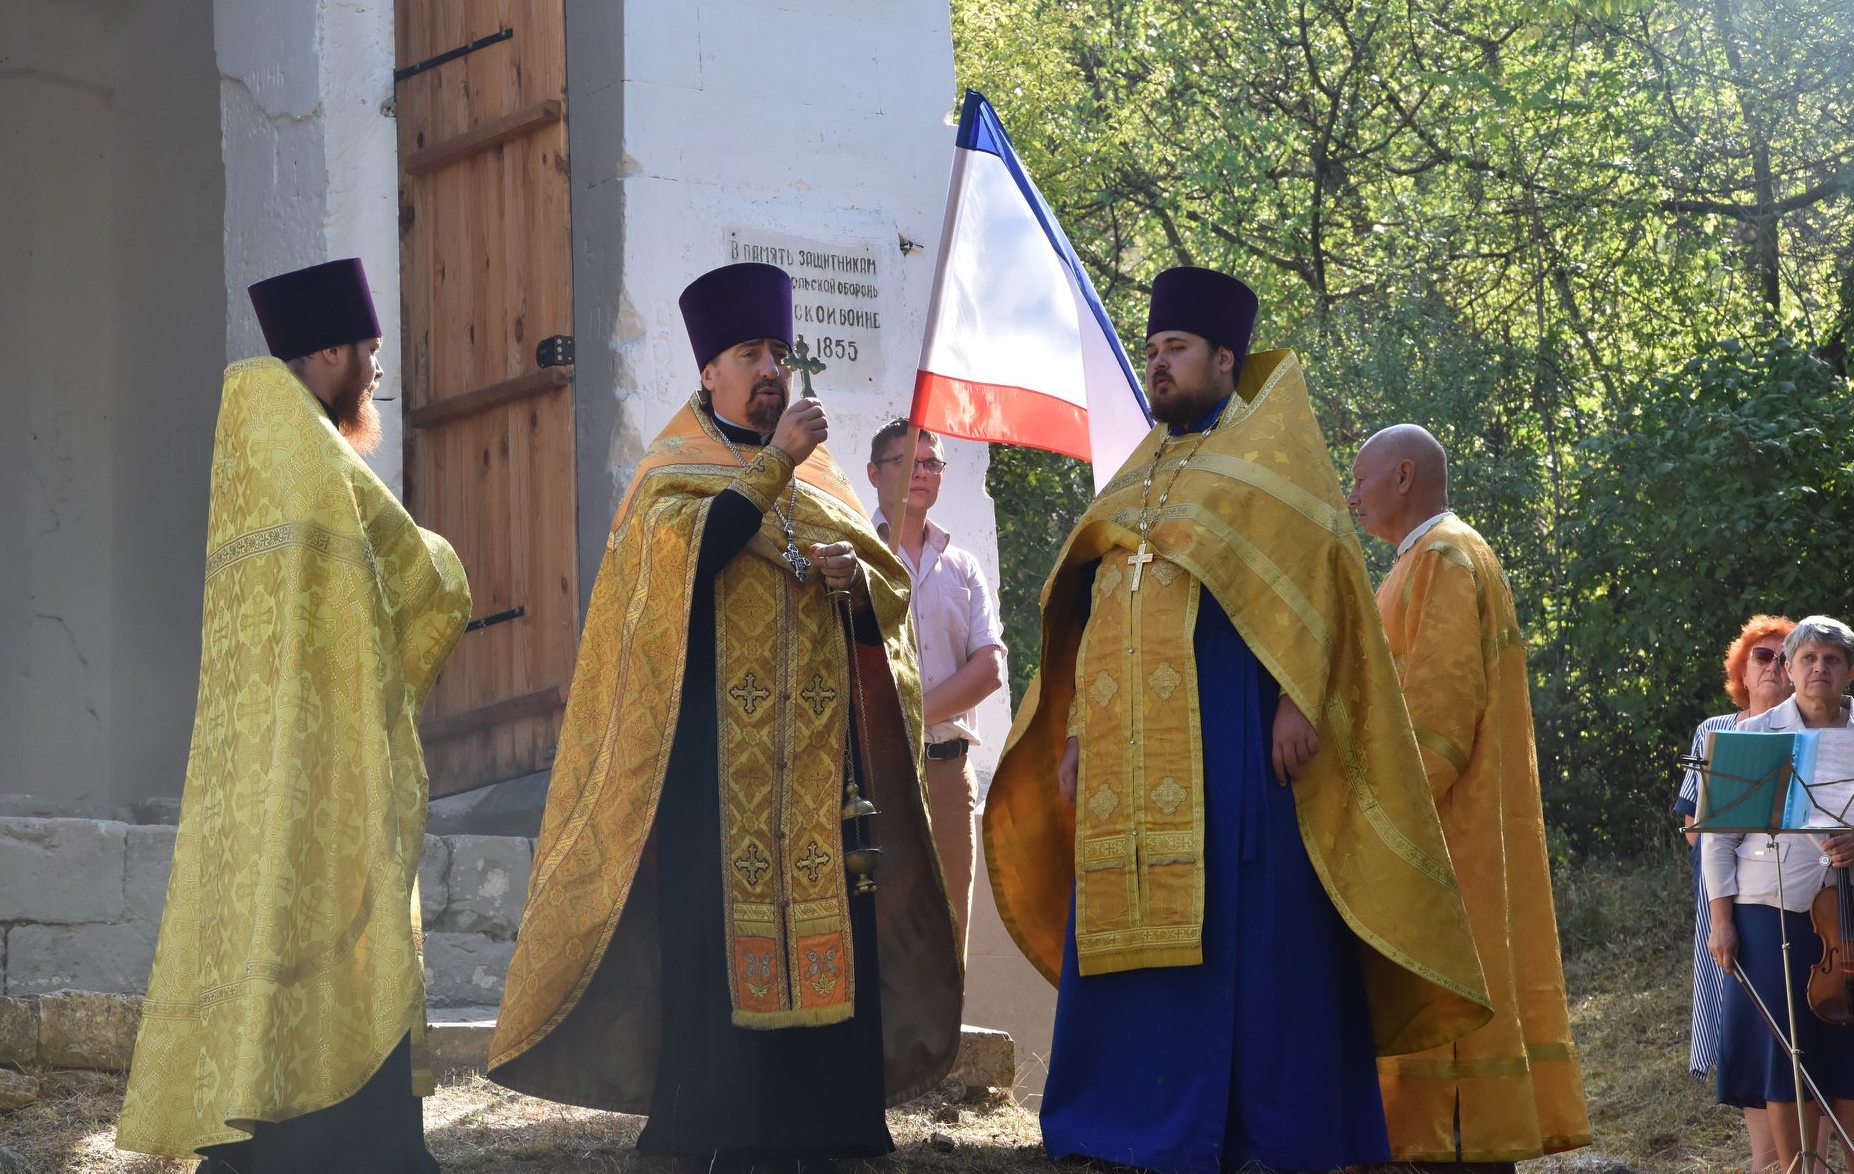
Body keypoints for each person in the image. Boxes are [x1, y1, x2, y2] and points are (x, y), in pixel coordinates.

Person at [984, 266, 1489, 1173]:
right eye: (1152, 352)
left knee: (1243, 932)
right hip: (1124, 760)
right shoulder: (1141, 472)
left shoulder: (1272, 463)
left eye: (1175, 350)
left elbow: (1321, 582)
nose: (1159, 366)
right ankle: (1119, 1115)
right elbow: (1096, 605)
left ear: (1225, 357)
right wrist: (1074, 736)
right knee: (1127, 928)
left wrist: (1300, 698)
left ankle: (1249, 1128)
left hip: (1235, 740)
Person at [487, 262, 960, 1168]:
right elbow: (669, 583)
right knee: (715, 945)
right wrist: (773, 460)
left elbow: (884, 602)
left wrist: (855, 582)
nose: (771, 366)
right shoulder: (673, 469)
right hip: (712, 769)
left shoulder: (821, 475)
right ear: (709, 371)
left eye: (778, 350)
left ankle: (825, 1125)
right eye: (750, 352)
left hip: (821, 775)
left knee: (832, 933)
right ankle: (717, 1125)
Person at [115, 259, 471, 1171]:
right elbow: (412, 570)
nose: (378, 370)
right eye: (370, 351)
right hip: (321, 750)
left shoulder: (256, 435)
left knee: (275, 937)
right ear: (327, 351)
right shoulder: (314, 453)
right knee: (337, 944)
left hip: (259, 746)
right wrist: (450, 571)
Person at [1347, 424, 1591, 1168]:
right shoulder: (1425, 558)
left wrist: (1375, 819)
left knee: (1450, 1085)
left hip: (1444, 843)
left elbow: (1437, 715)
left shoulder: (1444, 556)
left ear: (1403, 475)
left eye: (1358, 477)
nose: (1349, 494)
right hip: (1459, 838)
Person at [1706, 615, 1854, 1174]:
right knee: (1784, 1053)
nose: (1820, 668)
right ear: (1789, 670)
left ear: (1849, 672)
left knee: (1847, 1047)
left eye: (1832, 659)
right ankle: (1796, 1168)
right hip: (1766, 913)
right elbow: (1718, 839)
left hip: (1847, 920)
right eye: (1808, 659)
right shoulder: (1751, 737)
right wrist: (1722, 921)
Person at [866, 417, 1007, 962]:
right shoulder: (855, 555)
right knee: (882, 922)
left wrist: (909, 713)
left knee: (950, 926)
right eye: (905, 462)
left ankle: (948, 1047)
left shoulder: (962, 566)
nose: (920, 474)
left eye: (931, 463)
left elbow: (989, 669)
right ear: (875, 473)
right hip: (881, 769)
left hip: (949, 772)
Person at [1674, 615, 1795, 1170]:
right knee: (1747, 1024)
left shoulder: (1817, 728)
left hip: (1803, 899)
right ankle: (1766, 1160)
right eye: (1760, 657)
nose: (1771, 665)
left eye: (1779, 657)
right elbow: (1695, 828)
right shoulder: (1714, 729)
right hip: (1729, 895)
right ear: (1741, 670)